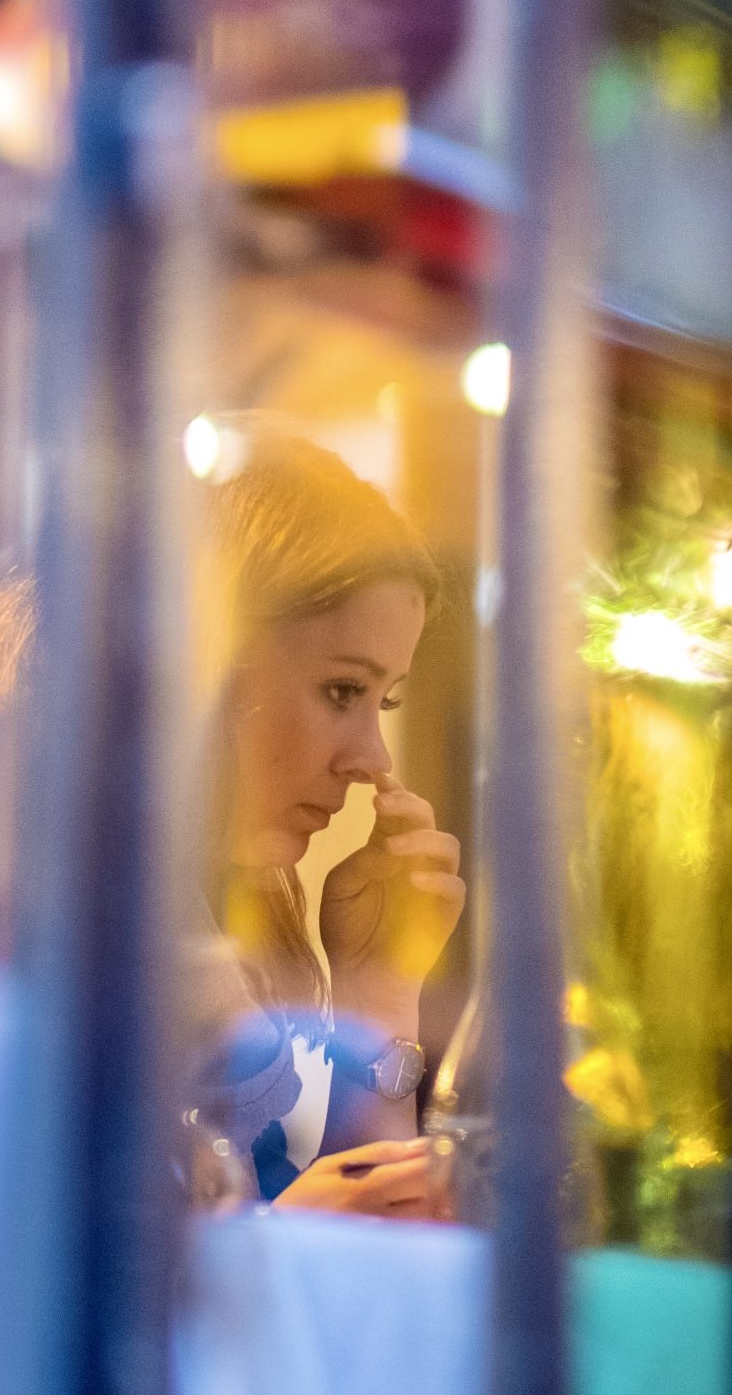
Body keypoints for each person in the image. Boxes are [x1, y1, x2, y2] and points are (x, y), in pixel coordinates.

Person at [189, 422, 465, 1218]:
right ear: (210, 663)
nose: (373, 758)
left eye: (385, 701)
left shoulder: (264, 934)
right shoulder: (83, 931)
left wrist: (382, 993)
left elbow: (375, 1211)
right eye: (344, 690)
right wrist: (285, 1233)